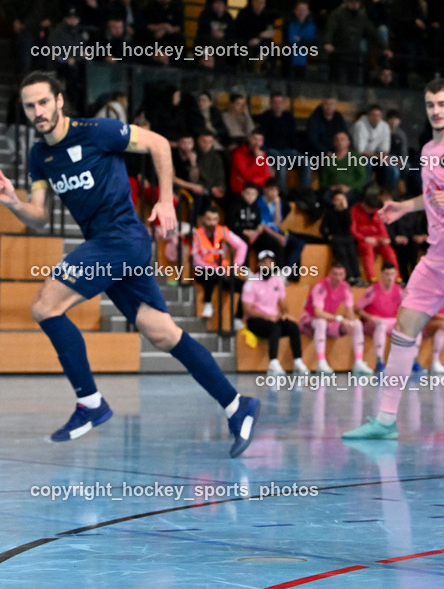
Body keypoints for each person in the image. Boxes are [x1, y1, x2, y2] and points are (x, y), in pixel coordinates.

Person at [0, 71, 259, 456]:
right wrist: (12, 202)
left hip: (122, 239)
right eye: (29, 105)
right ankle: (238, 406)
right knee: (162, 333)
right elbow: (39, 215)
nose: (37, 111)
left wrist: (167, 199)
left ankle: (90, 403)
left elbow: (157, 144)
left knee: (45, 306)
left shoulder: (96, 130)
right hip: (108, 248)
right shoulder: (41, 157)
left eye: (42, 102)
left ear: (58, 100)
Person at [342, 78, 444, 440]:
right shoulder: (427, 149)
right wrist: (406, 205)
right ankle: (385, 420)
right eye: (430, 104)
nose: (436, 111)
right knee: (402, 332)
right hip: (434, 260)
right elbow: (433, 196)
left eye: (443, 103)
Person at [242, 250, 304, 377]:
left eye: (271, 262)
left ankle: (298, 361)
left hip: (273, 318)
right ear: (259, 265)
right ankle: (273, 362)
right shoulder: (251, 282)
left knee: (292, 326)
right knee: (274, 327)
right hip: (255, 320)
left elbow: (283, 303)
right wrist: (266, 316)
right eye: (265, 262)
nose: (268, 265)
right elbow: (247, 309)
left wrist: (285, 314)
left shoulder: (277, 282)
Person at [298, 263, 364, 375]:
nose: (338, 278)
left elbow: (350, 312)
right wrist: (339, 318)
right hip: (309, 320)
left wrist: (350, 323)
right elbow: (318, 313)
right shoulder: (320, 286)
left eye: (341, 275)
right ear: (329, 274)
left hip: (329, 321)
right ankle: (321, 362)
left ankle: (358, 362)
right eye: (335, 274)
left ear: (344, 275)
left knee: (357, 324)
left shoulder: (346, 287)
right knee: (321, 322)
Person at [191, 206, 247, 323]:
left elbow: (242, 246)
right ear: (202, 220)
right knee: (211, 274)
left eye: (215, 219)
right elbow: (195, 260)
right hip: (202, 271)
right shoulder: (196, 234)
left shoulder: (223, 231)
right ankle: (207, 304)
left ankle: (238, 319)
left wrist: (234, 268)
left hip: (223, 272)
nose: (211, 223)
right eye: (209, 219)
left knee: (245, 286)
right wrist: (216, 270)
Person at [352, 262, 404, 374]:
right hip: (372, 324)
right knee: (381, 324)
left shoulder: (398, 290)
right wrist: (369, 316)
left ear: (395, 275)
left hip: (390, 322)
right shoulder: (373, 290)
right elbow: (357, 308)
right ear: (381, 274)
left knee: (411, 325)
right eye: (386, 274)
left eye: (392, 274)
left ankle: (412, 360)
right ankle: (379, 361)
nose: (389, 277)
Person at [350, 190, 398, 282]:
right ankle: (371, 277)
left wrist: (385, 238)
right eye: (370, 208)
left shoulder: (377, 212)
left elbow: (381, 227)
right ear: (364, 204)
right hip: (363, 240)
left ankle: (396, 277)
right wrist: (364, 238)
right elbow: (353, 230)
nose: (372, 211)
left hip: (377, 239)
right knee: (368, 250)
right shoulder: (354, 210)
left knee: (389, 251)